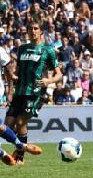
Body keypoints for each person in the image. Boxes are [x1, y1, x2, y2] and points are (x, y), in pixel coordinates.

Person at [5, 21, 62, 164]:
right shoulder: (22, 49)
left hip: (35, 93)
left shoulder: (48, 50)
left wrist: (48, 81)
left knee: (20, 121)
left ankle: (20, 157)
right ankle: (22, 147)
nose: (32, 31)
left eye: (36, 28)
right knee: (8, 125)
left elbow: (58, 74)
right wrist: (12, 82)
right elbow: (17, 71)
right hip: (19, 92)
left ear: (41, 31)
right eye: (30, 29)